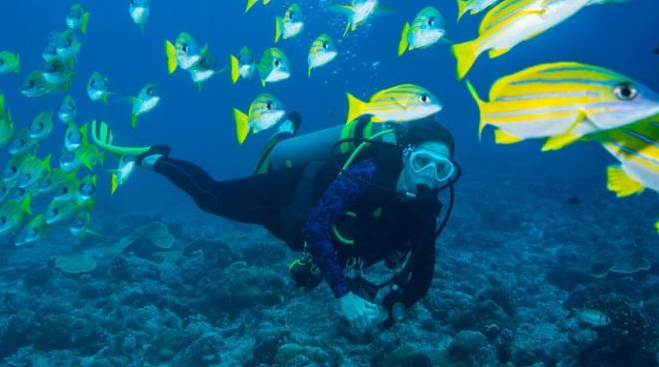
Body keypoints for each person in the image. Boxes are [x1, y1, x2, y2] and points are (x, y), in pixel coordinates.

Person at [88, 112, 459, 330]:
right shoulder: (366, 171)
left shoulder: (425, 209)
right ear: (405, 156)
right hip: (289, 200)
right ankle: (155, 158)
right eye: (421, 162)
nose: (428, 176)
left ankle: (284, 133)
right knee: (212, 198)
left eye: (440, 169)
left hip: (324, 237)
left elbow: (422, 274)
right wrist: (344, 296)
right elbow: (316, 226)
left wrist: (391, 308)